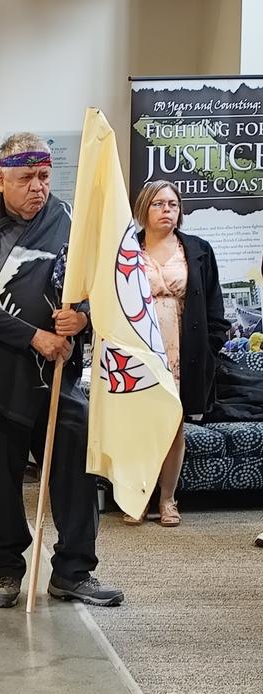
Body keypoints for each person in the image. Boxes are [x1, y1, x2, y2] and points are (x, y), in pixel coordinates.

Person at [0, 132, 124, 609]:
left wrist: (82, 316)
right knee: (0, 486)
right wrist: (34, 335)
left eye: (44, 177)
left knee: (75, 473)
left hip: (56, 378)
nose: (37, 187)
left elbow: (97, 285)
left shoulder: (70, 221)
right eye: (25, 178)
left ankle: (73, 571)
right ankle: (8, 569)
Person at [125, 180, 228, 526]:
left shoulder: (198, 249)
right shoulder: (127, 250)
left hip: (186, 351)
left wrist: (211, 347)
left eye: (172, 204)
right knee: (139, 425)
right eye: (158, 204)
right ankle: (137, 497)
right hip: (140, 350)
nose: (167, 210)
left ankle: (168, 499)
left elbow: (215, 304)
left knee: (172, 425)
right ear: (143, 209)